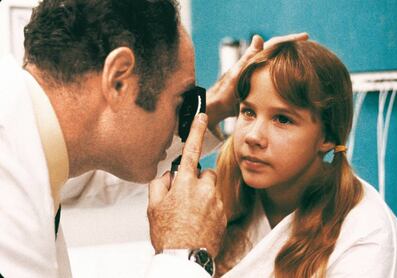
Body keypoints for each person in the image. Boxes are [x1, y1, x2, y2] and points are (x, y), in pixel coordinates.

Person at [0, 0, 308, 276]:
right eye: (181, 101)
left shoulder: (27, 142)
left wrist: (209, 110)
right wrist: (185, 252)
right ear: (119, 80)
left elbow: (99, 161)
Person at [214, 40, 397, 277]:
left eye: (282, 119)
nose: (253, 136)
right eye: (248, 112)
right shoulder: (220, 202)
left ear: (327, 136)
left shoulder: (368, 237)